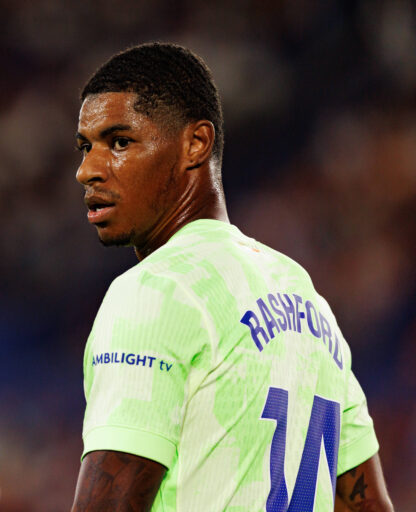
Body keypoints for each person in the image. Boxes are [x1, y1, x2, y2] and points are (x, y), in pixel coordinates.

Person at [70, 42, 393, 512]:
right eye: (85, 147)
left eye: (120, 142)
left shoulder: (156, 291)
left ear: (195, 144)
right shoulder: (302, 294)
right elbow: (367, 505)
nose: (87, 170)